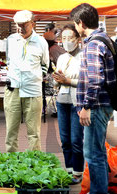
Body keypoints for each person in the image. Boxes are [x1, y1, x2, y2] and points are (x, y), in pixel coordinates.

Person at [70, 3, 115, 194]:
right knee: (95, 151)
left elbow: (95, 80)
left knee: (94, 152)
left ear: (81, 23)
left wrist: (86, 106)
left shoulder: (93, 44)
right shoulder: (103, 39)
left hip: (96, 106)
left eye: (75, 23)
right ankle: (98, 190)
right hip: (101, 104)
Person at [4, 10, 49, 152]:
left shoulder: (41, 42)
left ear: (33, 24)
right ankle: (10, 164)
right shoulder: (11, 40)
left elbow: (45, 65)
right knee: (11, 131)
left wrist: (34, 78)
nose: (21, 28)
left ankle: (33, 164)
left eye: (24, 25)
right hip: (13, 89)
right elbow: (8, 61)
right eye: (18, 25)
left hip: (33, 90)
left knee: (34, 133)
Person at [52, 24, 84, 184]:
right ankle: (69, 170)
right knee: (65, 140)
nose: (66, 41)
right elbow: (57, 83)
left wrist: (68, 81)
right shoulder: (62, 57)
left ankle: (78, 172)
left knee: (76, 140)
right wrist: (56, 79)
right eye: (63, 38)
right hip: (62, 101)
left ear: (78, 39)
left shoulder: (84, 56)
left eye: (69, 38)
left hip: (77, 103)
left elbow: (86, 82)